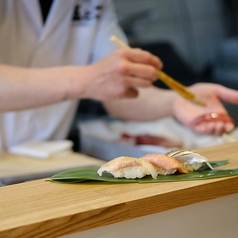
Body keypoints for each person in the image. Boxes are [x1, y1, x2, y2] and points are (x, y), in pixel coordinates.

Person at [0, 0, 238, 151]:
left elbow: (120, 93)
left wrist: (176, 101)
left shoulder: (96, 3)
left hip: (47, 159)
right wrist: (86, 80)